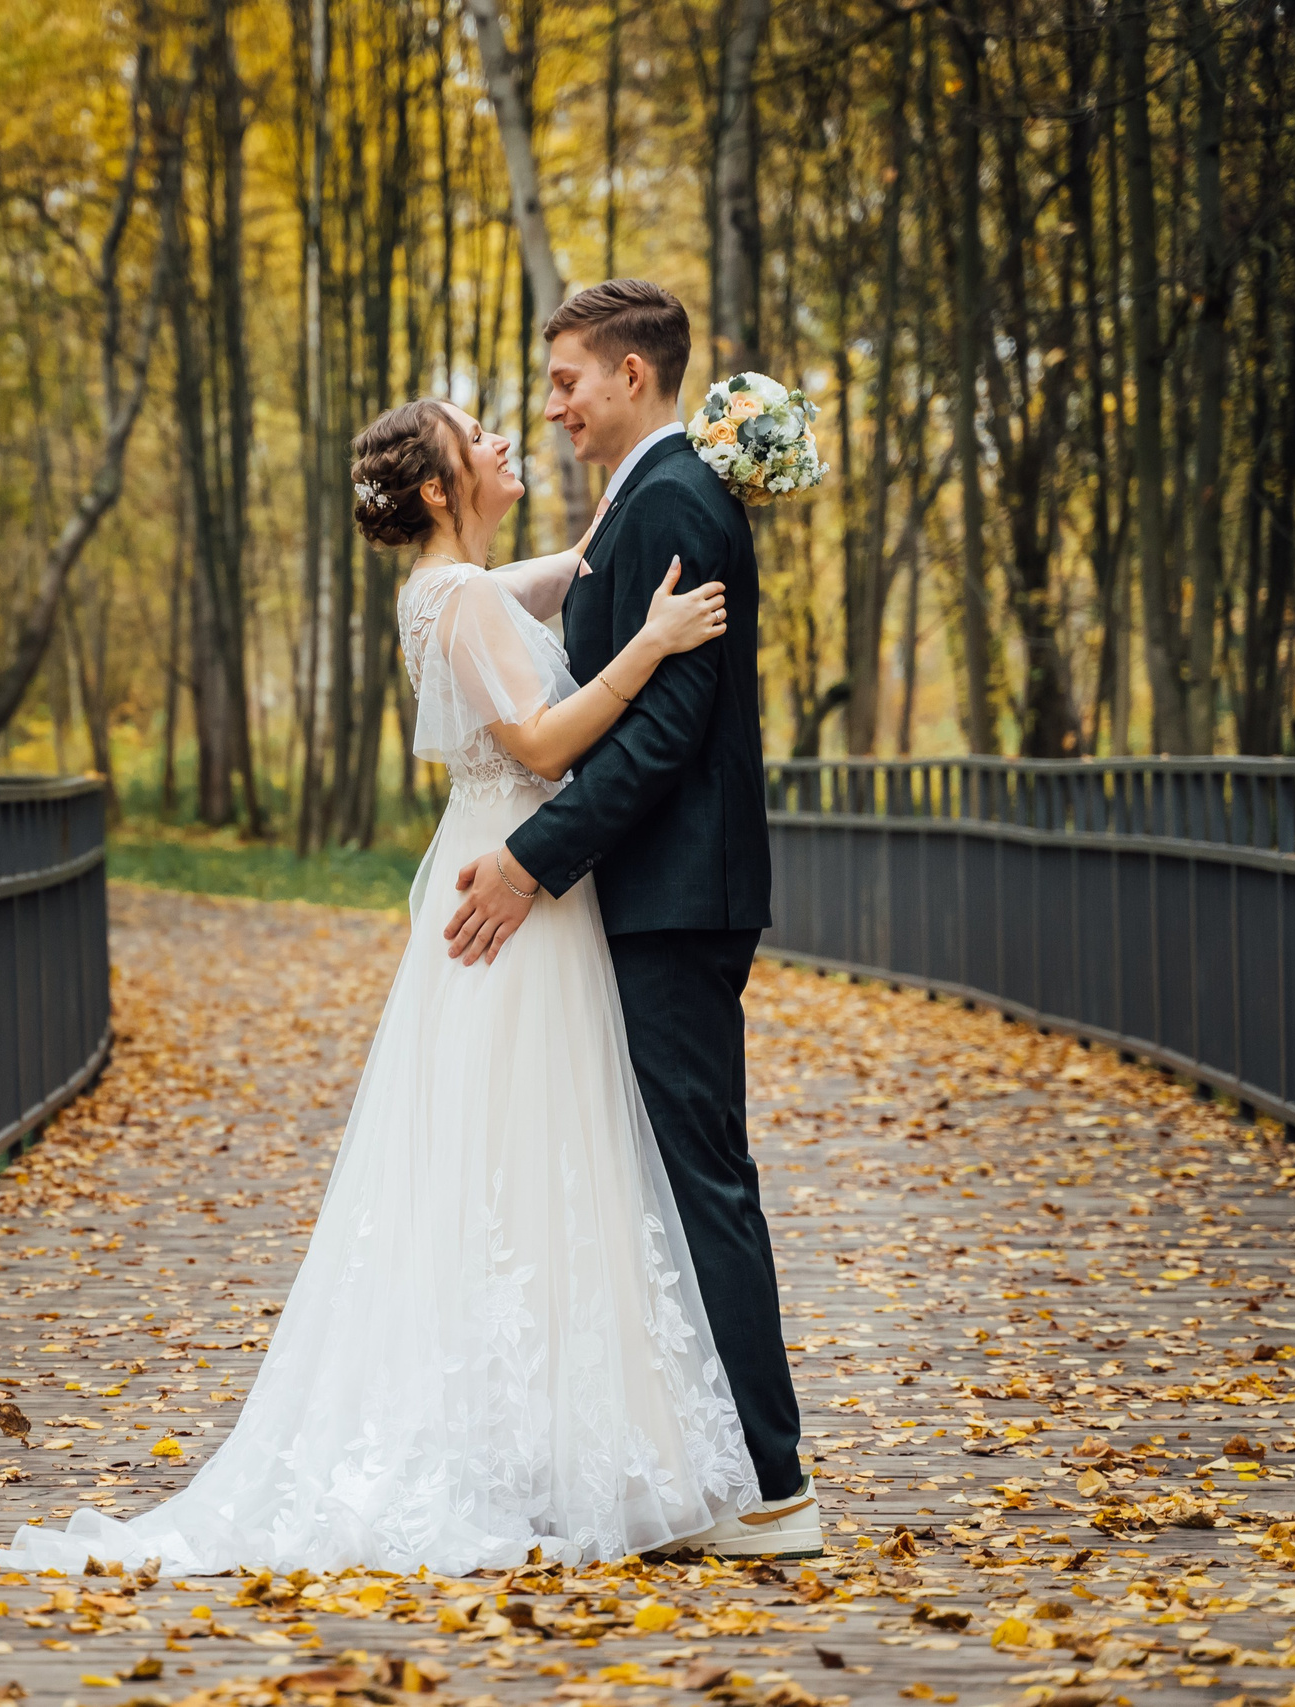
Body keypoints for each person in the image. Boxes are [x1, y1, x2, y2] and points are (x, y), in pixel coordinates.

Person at [0, 392, 757, 1576]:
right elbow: (541, 743)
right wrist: (652, 645)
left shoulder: (449, 590)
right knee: (528, 1147)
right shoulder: (462, 598)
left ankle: (538, 1436)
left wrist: (691, 478)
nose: (502, 438)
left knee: (503, 1151)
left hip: (500, 866)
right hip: (512, 884)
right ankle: (539, 1445)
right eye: (477, 436)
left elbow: (578, 564)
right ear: (443, 490)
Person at [441, 278, 814, 1560]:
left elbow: (663, 736)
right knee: (662, 1183)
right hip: (651, 893)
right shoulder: (641, 498)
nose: (552, 405)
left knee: (703, 1183)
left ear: (631, 376)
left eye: (567, 381)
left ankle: (772, 1490)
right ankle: (702, 1469)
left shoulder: (672, 501)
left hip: (673, 900)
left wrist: (528, 862)